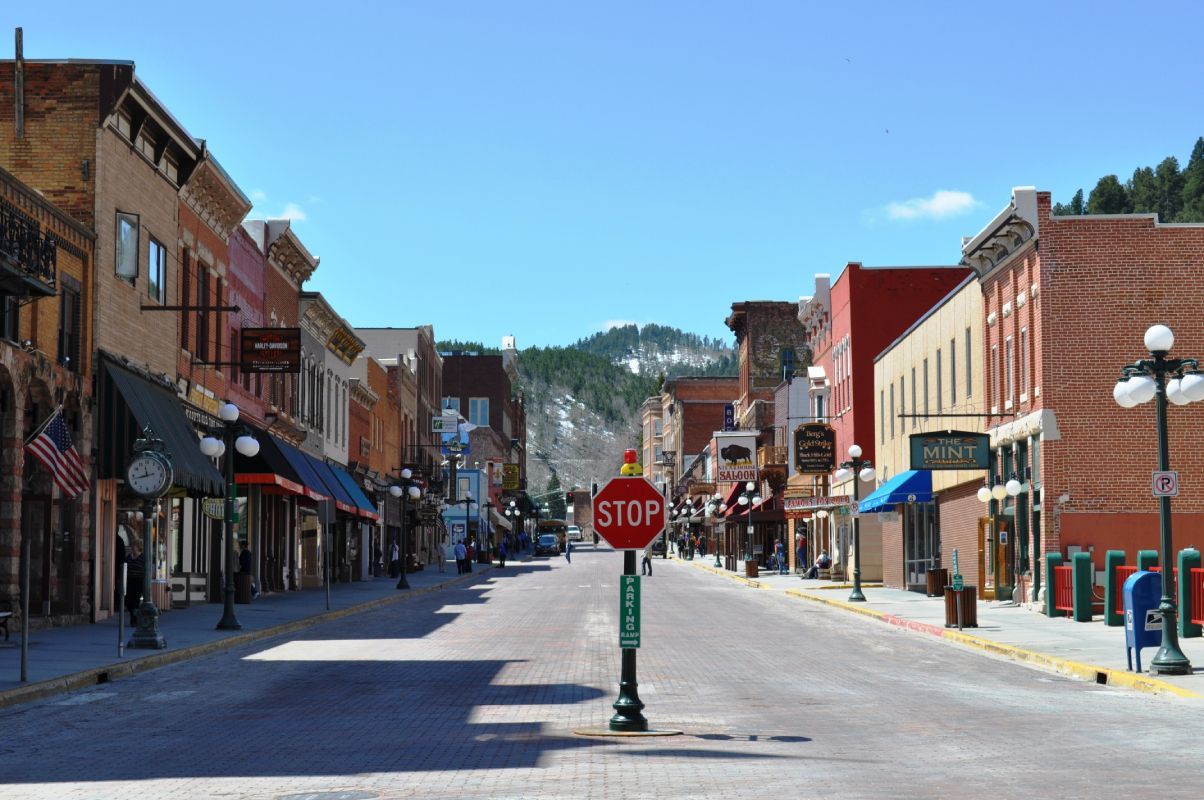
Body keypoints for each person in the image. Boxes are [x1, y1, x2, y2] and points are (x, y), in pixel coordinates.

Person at [124, 538, 144, 627]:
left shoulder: (142, 558)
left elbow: (146, 569)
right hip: (129, 580)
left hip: (138, 581)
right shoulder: (129, 557)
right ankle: (133, 615)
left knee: (135, 601)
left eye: (134, 546)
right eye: (132, 546)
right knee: (128, 600)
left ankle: (134, 619)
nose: (133, 548)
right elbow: (124, 567)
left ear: (138, 547)